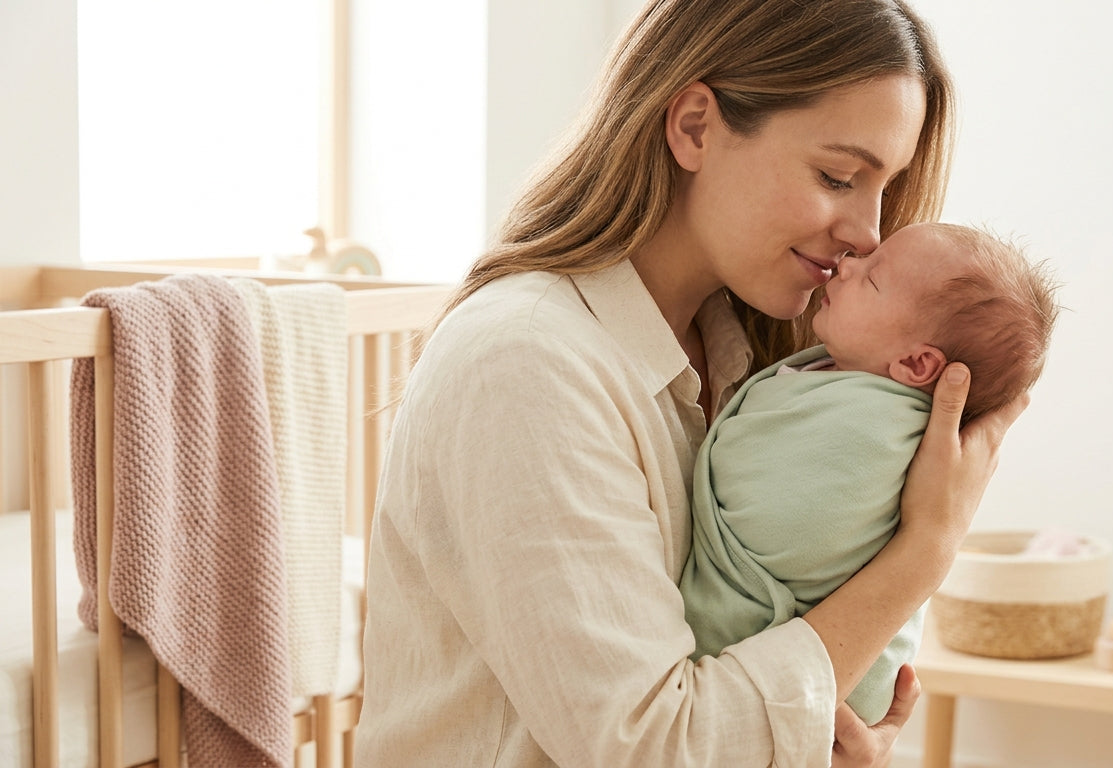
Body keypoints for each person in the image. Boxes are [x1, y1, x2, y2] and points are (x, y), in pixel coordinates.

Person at [356, 1, 1029, 766]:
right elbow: (652, 748)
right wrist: (924, 554)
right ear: (696, 127)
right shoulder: (525, 363)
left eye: (884, 188)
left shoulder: (760, 367)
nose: (870, 233)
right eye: (838, 175)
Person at [681, 221, 1060, 726]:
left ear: (916, 363)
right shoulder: (843, 370)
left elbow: (796, 530)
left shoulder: (880, 428)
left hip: (784, 653)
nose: (846, 263)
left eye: (872, 278)